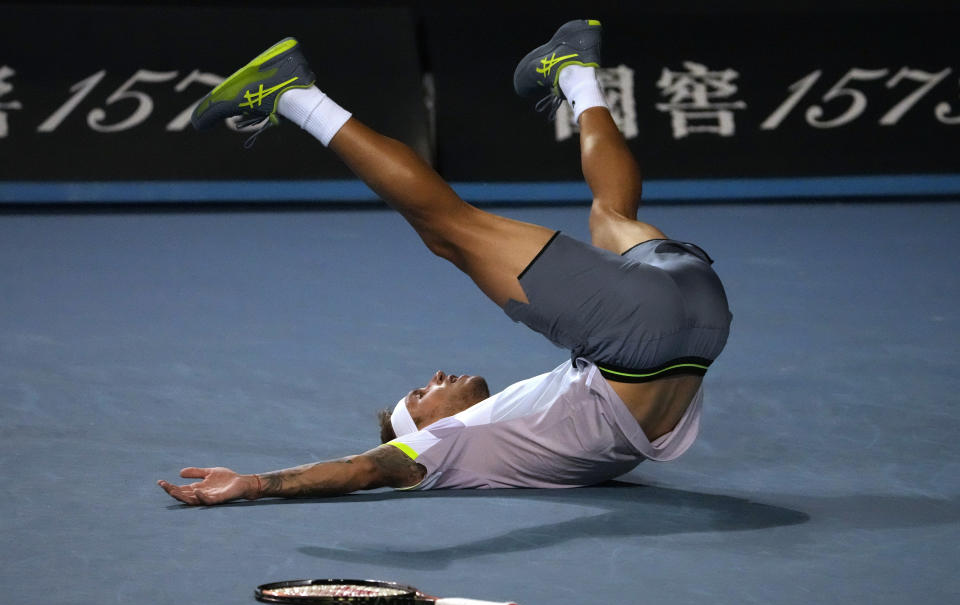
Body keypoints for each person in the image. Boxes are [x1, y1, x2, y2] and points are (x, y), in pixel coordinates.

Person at [158, 20, 731, 506]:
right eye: (419, 397)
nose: (433, 378)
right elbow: (364, 469)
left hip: (700, 310)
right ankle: (291, 93)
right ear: (425, 431)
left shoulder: (522, 423)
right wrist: (253, 484)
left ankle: (577, 73)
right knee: (447, 230)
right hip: (644, 331)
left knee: (611, 214)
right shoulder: (450, 442)